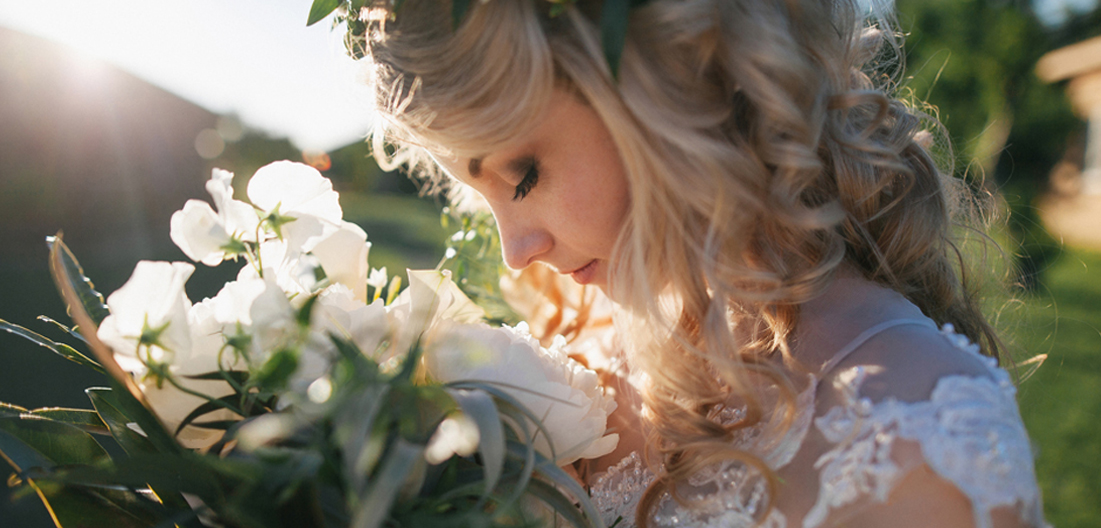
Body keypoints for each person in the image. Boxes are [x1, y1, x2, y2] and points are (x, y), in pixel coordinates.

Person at [355, 0, 1049, 527]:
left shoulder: (908, 433)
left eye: (524, 174)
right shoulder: (564, 354)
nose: (516, 251)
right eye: (481, 195)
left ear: (668, 81)